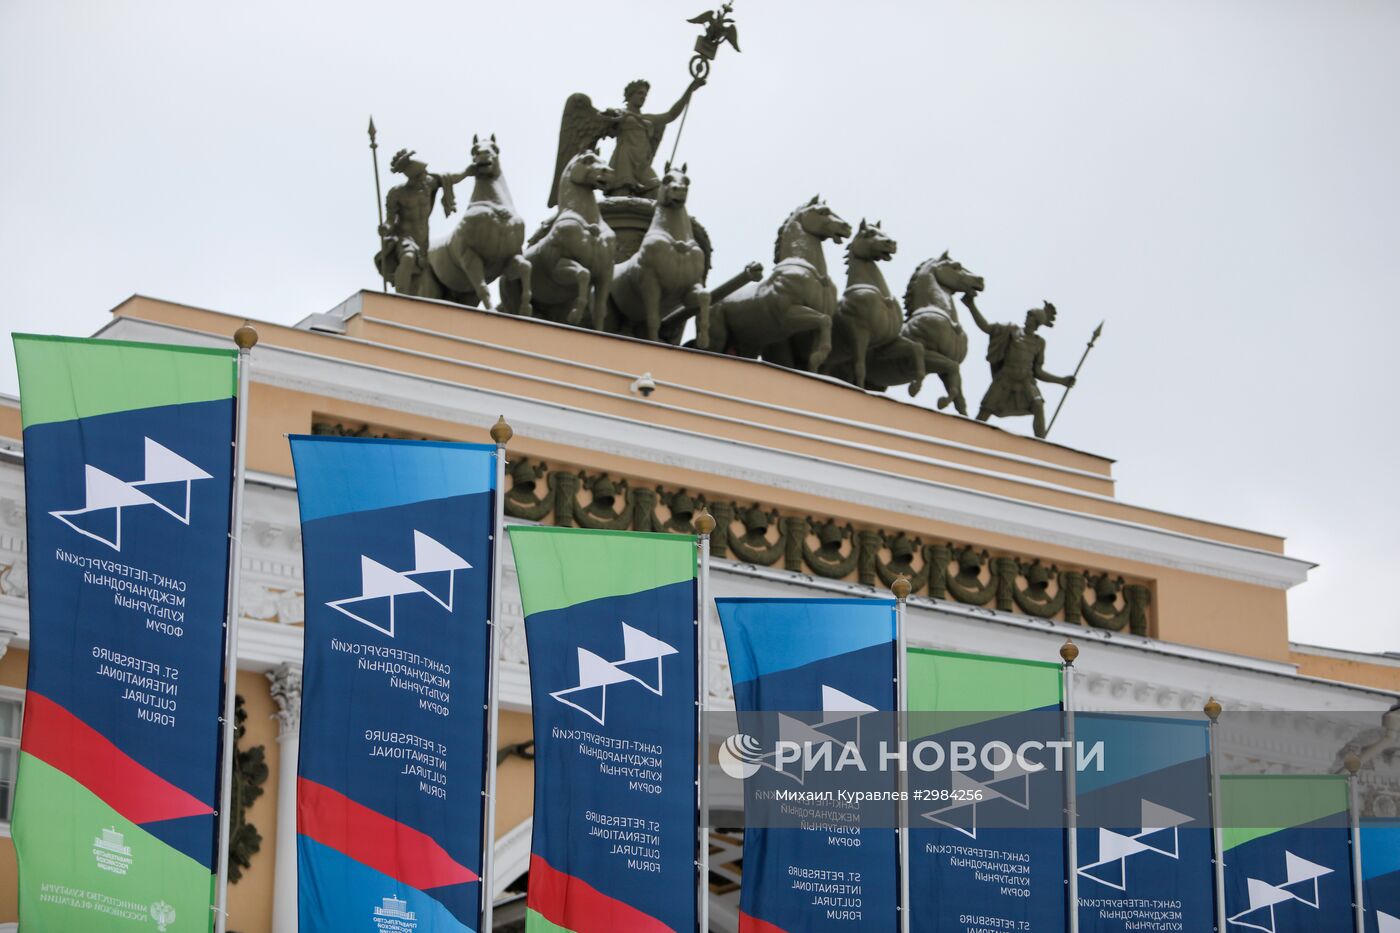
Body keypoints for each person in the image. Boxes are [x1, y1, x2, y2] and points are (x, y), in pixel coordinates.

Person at [963, 295, 1076, 438]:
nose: (1026, 319)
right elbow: (986, 327)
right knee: (986, 409)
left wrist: (1062, 380)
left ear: (1036, 322)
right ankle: (970, 437)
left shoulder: (1039, 343)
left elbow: (1038, 372)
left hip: (1025, 380)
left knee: (1038, 405)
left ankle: (1042, 444)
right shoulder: (1011, 330)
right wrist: (971, 305)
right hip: (1005, 378)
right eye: (1027, 315)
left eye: (1030, 317)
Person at [375, 149, 469, 294]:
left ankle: (409, 305)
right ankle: (399, 297)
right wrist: (385, 227)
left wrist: (468, 172)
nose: (426, 176)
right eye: (422, 174)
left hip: (422, 240)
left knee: (419, 279)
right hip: (404, 238)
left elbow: (450, 178)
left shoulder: (428, 184)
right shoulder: (397, 193)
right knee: (408, 258)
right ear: (413, 177)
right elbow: (390, 220)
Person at [603, 76, 705, 197]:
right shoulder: (619, 113)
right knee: (622, 195)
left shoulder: (648, 118)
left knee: (657, 192)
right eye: (640, 93)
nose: (643, 97)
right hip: (625, 160)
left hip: (643, 164)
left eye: (645, 95)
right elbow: (602, 122)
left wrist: (690, 90)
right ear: (630, 94)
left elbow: (671, 115)